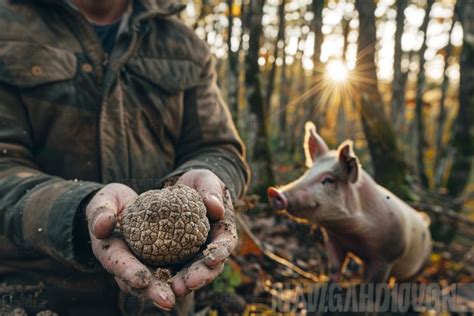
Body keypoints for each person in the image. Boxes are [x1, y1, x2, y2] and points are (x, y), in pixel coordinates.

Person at [0, 0, 250, 314]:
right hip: (37, 296)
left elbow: (217, 147)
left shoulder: (182, 43)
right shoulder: (6, 27)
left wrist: (208, 178)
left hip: (166, 301)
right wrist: (80, 212)